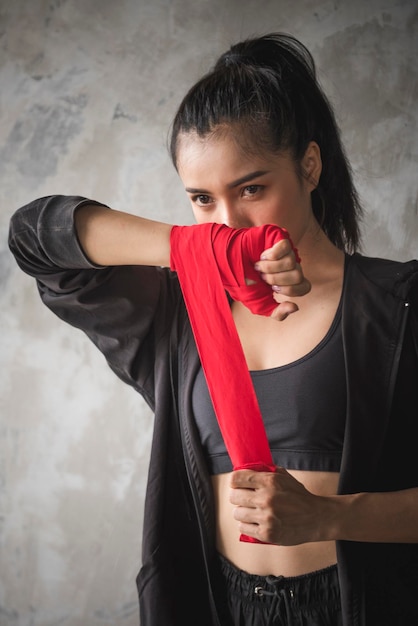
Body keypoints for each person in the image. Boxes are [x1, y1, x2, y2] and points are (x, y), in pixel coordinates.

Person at [8, 32, 418, 626]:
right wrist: (196, 252)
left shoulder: (398, 303)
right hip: (219, 605)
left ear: (308, 166)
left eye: (252, 189)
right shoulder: (176, 316)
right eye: (202, 200)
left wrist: (333, 517)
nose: (228, 222)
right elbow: (33, 238)